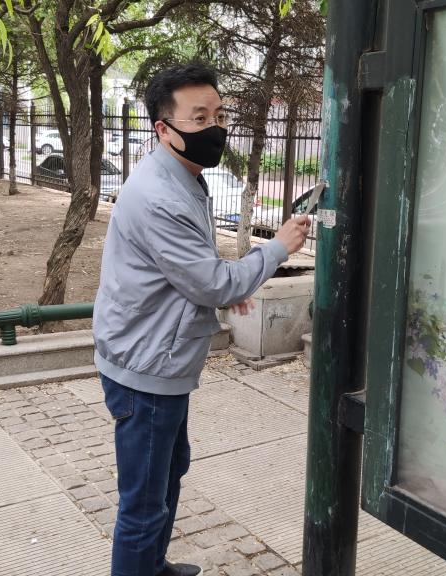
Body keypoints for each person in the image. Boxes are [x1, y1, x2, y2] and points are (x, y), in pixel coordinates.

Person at [92, 62, 312, 576]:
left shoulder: (182, 176)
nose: (214, 127)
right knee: (143, 504)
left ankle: (154, 567)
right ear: (163, 129)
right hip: (146, 367)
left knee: (170, 472)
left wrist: (222, 288)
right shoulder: (160, 195)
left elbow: (192, 272)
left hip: (158, 356)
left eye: (219, 115)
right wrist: (276, 248)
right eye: (198, 118)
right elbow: (213, 282)